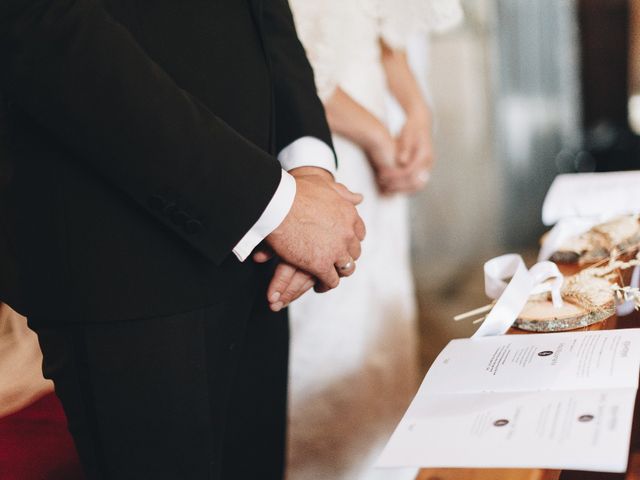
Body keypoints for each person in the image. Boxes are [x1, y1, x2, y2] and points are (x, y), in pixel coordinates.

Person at [0, 1, 365, 479]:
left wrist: (307, 165)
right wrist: (271, 203)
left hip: (261, 250)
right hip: (125, 257)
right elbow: (40, 23)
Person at [285, 1, 463, 479]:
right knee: (326, 335)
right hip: (318, 152)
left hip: (376, 146)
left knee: (379, 333)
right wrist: (377, 136)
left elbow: (389, 42)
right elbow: (286, 69)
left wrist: (417, 114)